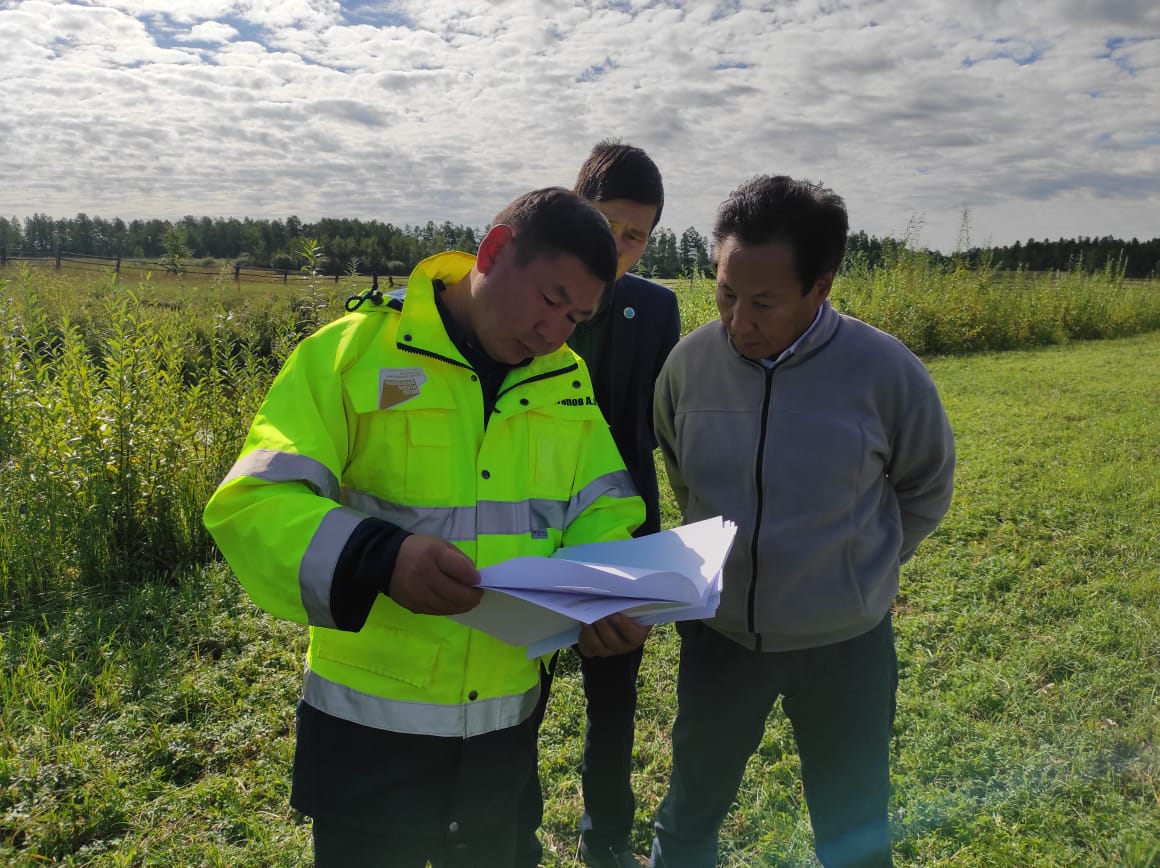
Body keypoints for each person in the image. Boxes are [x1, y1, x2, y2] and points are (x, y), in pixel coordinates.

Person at [203, 187, 651, 868]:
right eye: (550, 297)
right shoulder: (349, 355)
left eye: (578, 316)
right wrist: (380, 558)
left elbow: (602, 507)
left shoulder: (565, 379)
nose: (554, 330)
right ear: (495, 251)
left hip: (503, 731)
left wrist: (606, 587)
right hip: (370, 738)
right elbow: (256, 502)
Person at [650, 175, 955, 867]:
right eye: (726, 294)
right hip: (719, 639)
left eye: (763, 302)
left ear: (820, 288)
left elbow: (925, 486)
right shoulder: (687, 367)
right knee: (690, 812)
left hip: (845, 647)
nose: (738, 321)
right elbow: (681, 474)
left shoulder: (886, 373)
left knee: (852, 830)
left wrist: (851, 569)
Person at [517, 141, 681, 868]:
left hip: (625, 533)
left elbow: (654, 427)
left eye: (638, 235)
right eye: (610, 226)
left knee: (614, 707)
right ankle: (510, 837)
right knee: (518, 704)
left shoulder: (660, 307)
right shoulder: (534, 299)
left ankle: (606, 842)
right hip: (533, 530)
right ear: (578, 208)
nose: (622, 248)